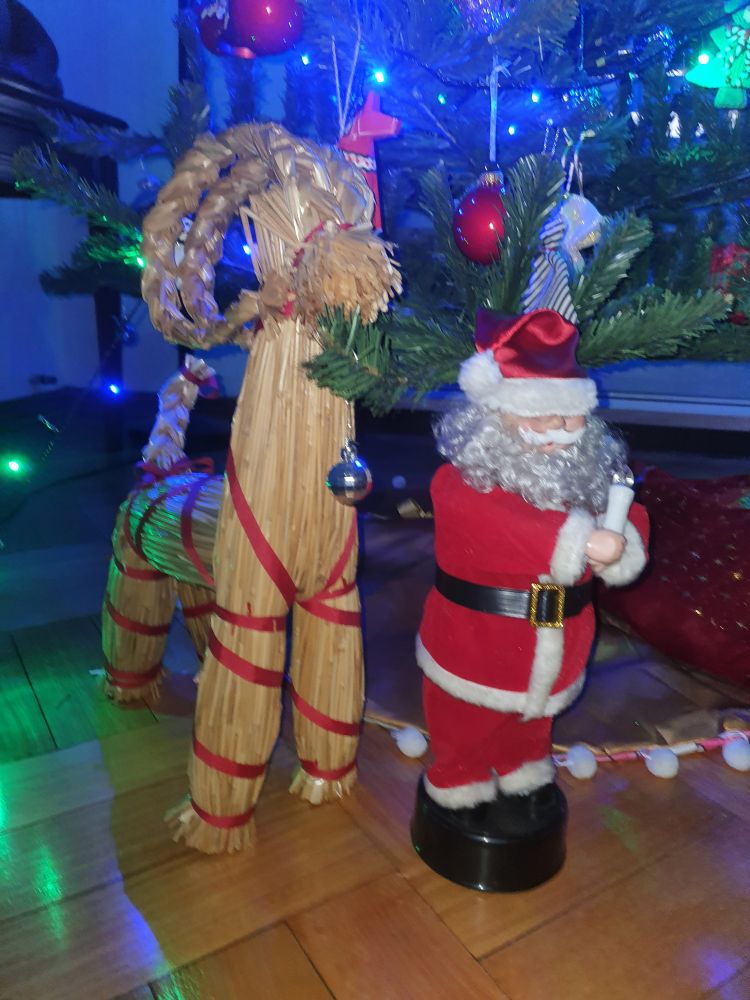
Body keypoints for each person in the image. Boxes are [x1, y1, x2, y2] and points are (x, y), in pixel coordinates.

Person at [416, 308, 649, 822]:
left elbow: (629, 514)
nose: (556, 430)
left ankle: (520, 762)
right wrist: (586, 542)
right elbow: (495, 525)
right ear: (493, 413)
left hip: (561, 635)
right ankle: (458, 776)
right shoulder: (460, 481)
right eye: (537, 414)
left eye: (568, 417)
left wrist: (624, 537)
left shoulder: (588, 472)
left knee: (533, 718)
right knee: (467, 715)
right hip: (478, 638)